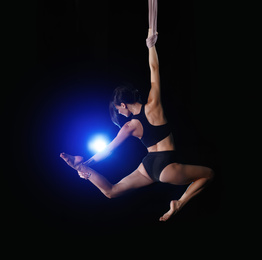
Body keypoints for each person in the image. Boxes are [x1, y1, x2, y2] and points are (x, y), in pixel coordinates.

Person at [60, 26, 214, 221]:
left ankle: (81, 168)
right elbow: (154, 70)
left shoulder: (129, 126)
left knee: (111, 191)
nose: (120, 114)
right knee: (208, 174)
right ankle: (179, 203)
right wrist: (151, 45)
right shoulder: (153, 105)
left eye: (118, 110)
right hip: (166, 164)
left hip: (149, 165)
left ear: (123, 104)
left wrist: (87, 163)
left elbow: (109, 150)